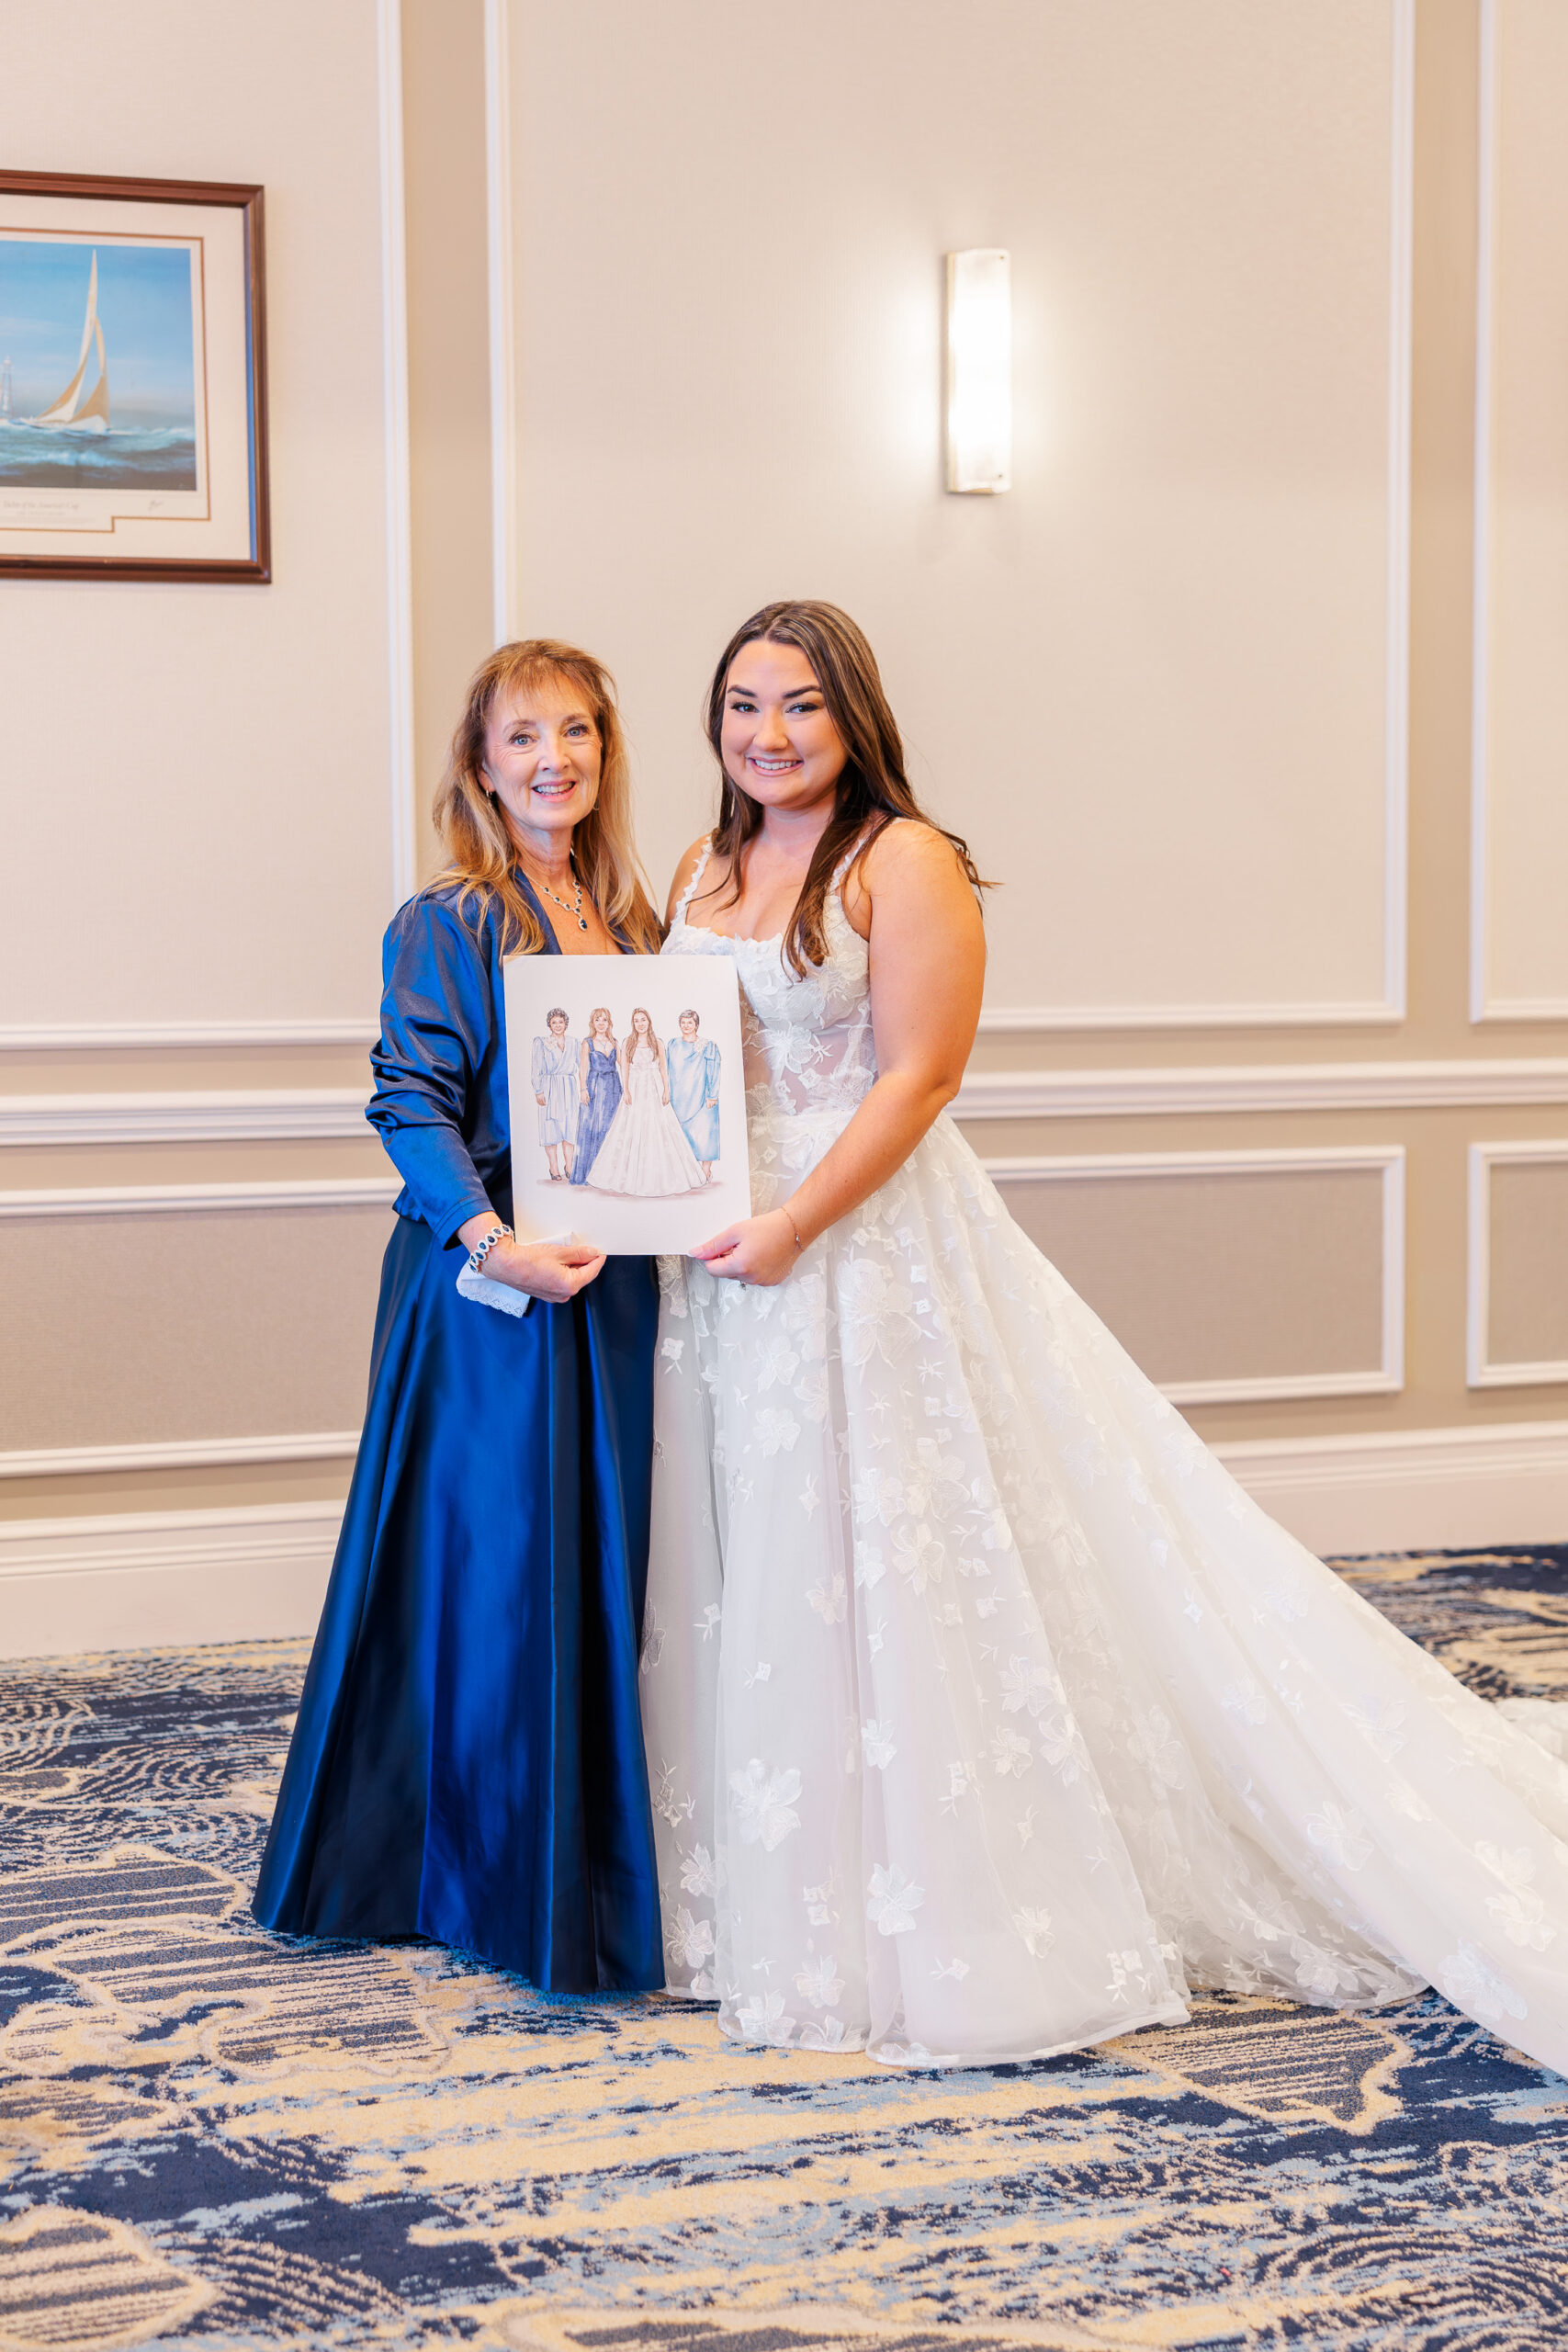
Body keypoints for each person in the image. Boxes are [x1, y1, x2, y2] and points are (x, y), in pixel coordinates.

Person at [639, 598, 1568, 2073]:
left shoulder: (906, 860)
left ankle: (947, 1913)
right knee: (760, 1554)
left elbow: (916, 1081)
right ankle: (768, 1898)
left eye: (799, 704)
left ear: (852, 713)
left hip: (854, 1243)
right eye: (742, 704)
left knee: (893, 1553)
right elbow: (668, 1051)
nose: (767, 732)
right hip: (717, 1248)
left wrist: (794, 1225)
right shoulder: (699, 863)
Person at [254, 639, 666, 1994]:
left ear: (604, 754)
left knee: (600, 1565)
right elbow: (407, 1103)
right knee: (494, 1584)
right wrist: (498, 1241)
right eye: (522, 737)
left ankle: (590, 1862)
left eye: (578, 734)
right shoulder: (453, 917)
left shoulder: (636, 917)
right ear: (480, 766)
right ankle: (486, 1884)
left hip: (606, 1278)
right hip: (492, 1284)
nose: (554, 759)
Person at [583, 1008, 705, 1198]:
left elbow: (663, 1068)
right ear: (633, 1024)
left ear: (649, 1022)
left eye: (643, 1020)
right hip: (635, 1087)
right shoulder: (627, 1043)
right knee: (632, 1127)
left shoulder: (657, 1043)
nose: (640, 1024)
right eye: (636, 1021)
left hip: (654, 1087)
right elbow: (624, 1068)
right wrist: (626, 1090)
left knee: (658, 1127)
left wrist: (666, 1089)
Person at [665, 1009, 721, 1180]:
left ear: (696, 1025)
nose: (686, 1026)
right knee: (680, 1135)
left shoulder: (708, 1045)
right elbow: (666, 1069)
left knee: (704, 1133)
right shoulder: (673, 1044)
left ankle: (705, 1171)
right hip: (678, 1097)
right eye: (683, 1022)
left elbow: (714, 1070)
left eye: (690, 1022)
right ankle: (684, 1172)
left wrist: (712, 1095)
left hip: (702, 1096)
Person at [572, 1006, 623, 1186]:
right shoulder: (587, 1042)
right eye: (597, 1020)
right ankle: (590, 1174)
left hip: (614, 1087)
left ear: (610, 1023)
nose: (601, 1023)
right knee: (593, 1127)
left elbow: (624, 1065)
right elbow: (583, 1068)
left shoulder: (615, 1042)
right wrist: (583, 1089)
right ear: (592, 1023)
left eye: (604, 1020)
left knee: (612, 1127)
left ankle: (610, 1175)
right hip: (594, 1086)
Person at [532, 1008, 580, 1181]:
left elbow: (581, 1066)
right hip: (550, 1087)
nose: (558, 1026)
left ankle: (569, 1165)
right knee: (551, 1128)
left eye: (560, 1022)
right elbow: (536, 1067)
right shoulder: (541, 1042)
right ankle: (553, 1167)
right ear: (549, 1025)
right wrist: (539, 1090)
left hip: (569, 1087)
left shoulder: (574, 1042)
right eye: (554, 1023)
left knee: (570, 1127)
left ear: (566, 1023)